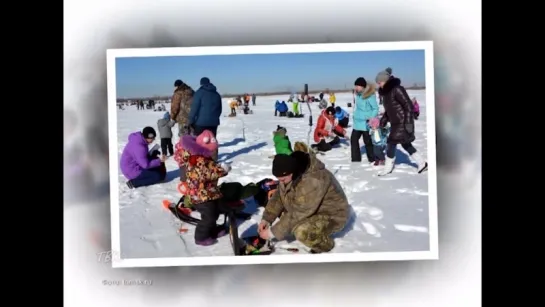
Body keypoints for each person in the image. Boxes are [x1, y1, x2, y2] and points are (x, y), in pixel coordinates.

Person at [257, 143, 350, 253]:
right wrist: (266, 219)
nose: (280, 182)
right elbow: (279, 196)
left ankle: (325, 245)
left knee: (302, 231)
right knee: (285, 217)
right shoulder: (291, 170)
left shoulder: (314, 180)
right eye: (279, 179)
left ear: (291, 172)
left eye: (283, 179)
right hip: (310, 208)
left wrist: (272, 232)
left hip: (332, 215)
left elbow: (299, 212)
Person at [175, 130, 231, 246]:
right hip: (199, 195)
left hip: (207, 192)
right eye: (212, 149)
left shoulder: (203, 158)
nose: (213, 152)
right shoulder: (196, 159)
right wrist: (222, 170)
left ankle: (212, 230)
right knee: (208, 216)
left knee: (214, 213)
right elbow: (206, 173)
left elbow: (210, 169)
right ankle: (200, 237)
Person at [375, 67, 428, 175]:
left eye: (379, 82)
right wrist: (384, 119)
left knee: (391, 142)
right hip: (396, 122)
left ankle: (388, 167)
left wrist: (408, 123)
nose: (378, 84)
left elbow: (408, 106)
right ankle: (422, 163)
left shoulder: (397, 89)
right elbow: (390, 109)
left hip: (402, 121)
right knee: (405, 143)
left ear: (385, 80)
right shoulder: (386, 94)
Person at [188, 77, 223, 159]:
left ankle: (201, 160)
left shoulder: (199, 93)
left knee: (200, 141)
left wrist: (190, 120)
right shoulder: (217, 94)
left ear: (201, 84)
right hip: (213, 123)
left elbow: (194, 109)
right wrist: (214, 118)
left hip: (200, 123)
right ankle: (214, 159)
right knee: (212, 141)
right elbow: (219, 109)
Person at [351, 77, 379, 163]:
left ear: (363, 86)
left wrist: (370, 118)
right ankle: (356, 160)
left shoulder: (370, 95)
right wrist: (355, 114)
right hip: (357, 122)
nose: (356, 88)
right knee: (353, 139)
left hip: (366, 123)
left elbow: (375, 108)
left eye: (358, 86)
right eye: (355, 85)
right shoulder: (358, 95)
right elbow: (357, 107)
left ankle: (372, 159)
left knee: (367, 142)